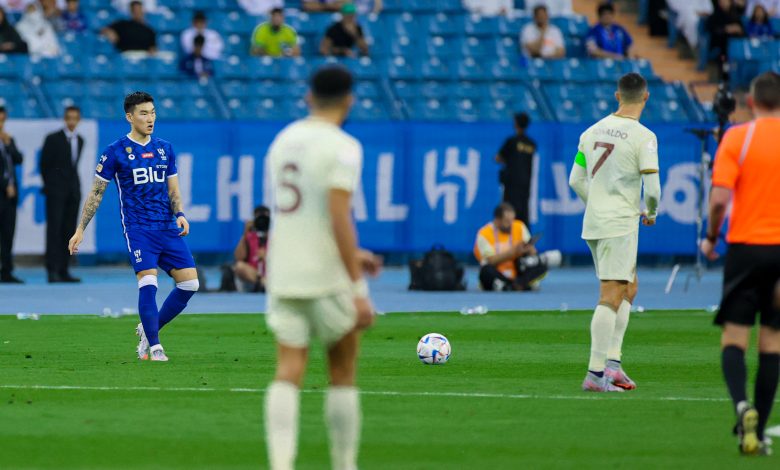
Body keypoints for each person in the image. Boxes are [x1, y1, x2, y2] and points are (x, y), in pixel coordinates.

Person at [264, 65, 381, 470]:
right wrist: (359, 288)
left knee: (288, 369)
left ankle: (281, 464)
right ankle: (344, 464)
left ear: (309, 96)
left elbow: (299, 216)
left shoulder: (283, 141)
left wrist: (355, 252)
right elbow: (337, 215)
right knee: (342, 370)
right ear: (349, 100)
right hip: (326, 275)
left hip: (283, 270)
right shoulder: (344, 146)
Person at [68, 92, 199, 362]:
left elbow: (172, 188)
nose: (150, 118)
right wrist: (80, 229)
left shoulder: (165, 148)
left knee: (190, 284)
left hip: (166, 227)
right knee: (148, 282)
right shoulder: (115, 151)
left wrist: (181, 214)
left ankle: (148, 329)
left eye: (152, 112)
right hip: (139, 229)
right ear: (129, 117)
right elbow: (96, 194)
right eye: (143, 113)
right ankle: (155, 346)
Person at [701, 71, 780, 456]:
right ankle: (758, 432)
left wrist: (712, 237)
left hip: (746, 247)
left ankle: (740, 406)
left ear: (751, 102)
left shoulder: (737, 138)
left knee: (734, 338)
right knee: (773, 342)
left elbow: (718, 200)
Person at [568, 72, 661, 393]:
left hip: (595, 222)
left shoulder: (590, 132)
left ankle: (613, 365)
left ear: (616, 96)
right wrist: (650, 212)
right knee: (610, 294)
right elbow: (653, 189)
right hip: (619, 222)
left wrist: (595, 203)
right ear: (645, 97)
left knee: (628, 287)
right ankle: (595, 374)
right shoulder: (643, 137)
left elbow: (575, 181)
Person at [473, 203, 561, 292]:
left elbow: (533, 253)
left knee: (541, 263)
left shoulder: (519, 226)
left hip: (517, 270)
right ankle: (519, 285)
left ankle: (516, 284)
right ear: (497, 220)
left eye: (512, 220)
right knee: (485, 271)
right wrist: (513, 252)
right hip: (497, 272)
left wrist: (528, 249)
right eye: (507, 221)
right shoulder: (484, 233)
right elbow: (491, 261)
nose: (511, 224)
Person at [40, 106, 83, 283]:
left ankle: (64, 269)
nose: (72, 121)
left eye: (75, 118)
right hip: (56, 192)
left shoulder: (80, 140)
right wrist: (52, 186)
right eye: (69, 118)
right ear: (65, 119)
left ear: (78, 120)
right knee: (54, 231)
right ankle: (52, 270)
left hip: (72, 193)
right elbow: (44, 165)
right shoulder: (52, 139)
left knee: (69, 231)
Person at [495, 113, 536, 227]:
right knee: (523, 213)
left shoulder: (511, 142)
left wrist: (509, 162)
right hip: (525, 184)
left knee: (509, 211)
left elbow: (498, 158)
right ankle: (524, 240)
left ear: (516, 124)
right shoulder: (531, 144)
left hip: (511, 183)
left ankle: (508, 238)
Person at [0, 106, 23, 284]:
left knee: (8, 234)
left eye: (2, 120)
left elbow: (18, 159)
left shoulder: (8, 139)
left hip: (9, 197)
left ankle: (6, 271)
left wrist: (8, 144)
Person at [228, 205, 270, 293]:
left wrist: (268, 257)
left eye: (265, 218)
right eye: (259, 218)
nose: (262, 221)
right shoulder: (249, 237)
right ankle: (262, 283)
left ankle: (266, 283)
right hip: (253, 277)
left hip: (272, 274)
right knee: (239, 266)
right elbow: (239, 257)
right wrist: (245, 233)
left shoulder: (277, 237)